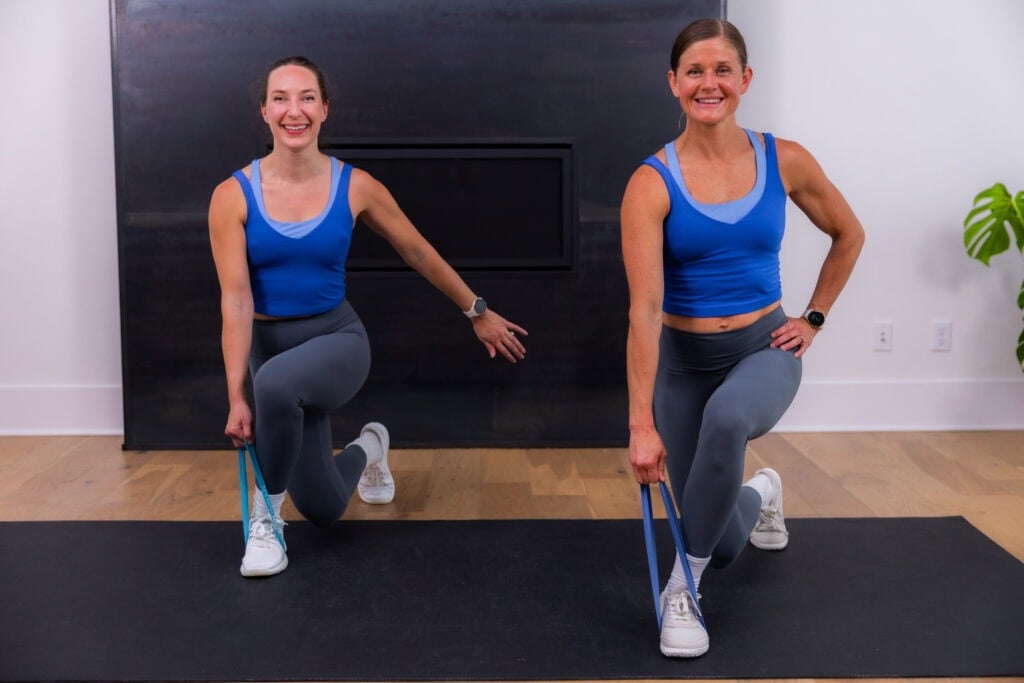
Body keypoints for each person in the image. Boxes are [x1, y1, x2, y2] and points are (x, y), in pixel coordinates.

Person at [208, 56, 528, 578]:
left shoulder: (355, 186)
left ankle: (265, 521)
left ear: (325, 108)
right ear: (264, 111)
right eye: (282, 99)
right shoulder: (232, 196)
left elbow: (419, 252)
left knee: (275, 384)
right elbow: (237, 300)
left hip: (336, 341)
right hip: (269, 355)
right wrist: (234, 396)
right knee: (327, 508)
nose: (295, 110)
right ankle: (372, 445)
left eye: (307, 97)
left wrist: (476, 310)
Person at [620, 19, 864, 657]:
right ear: (673, 83)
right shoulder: (650, 183)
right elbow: (644, 310)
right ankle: (764, 493)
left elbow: (849, 232)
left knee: (728, 419)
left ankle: (682, 590)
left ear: (745, 80)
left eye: (723, 70)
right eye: (695, 71)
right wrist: (641, 424)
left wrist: (812, 318)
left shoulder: (782, 159)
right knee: (724, 541)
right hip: (682, 365)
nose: (710, 83)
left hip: (762, 352)